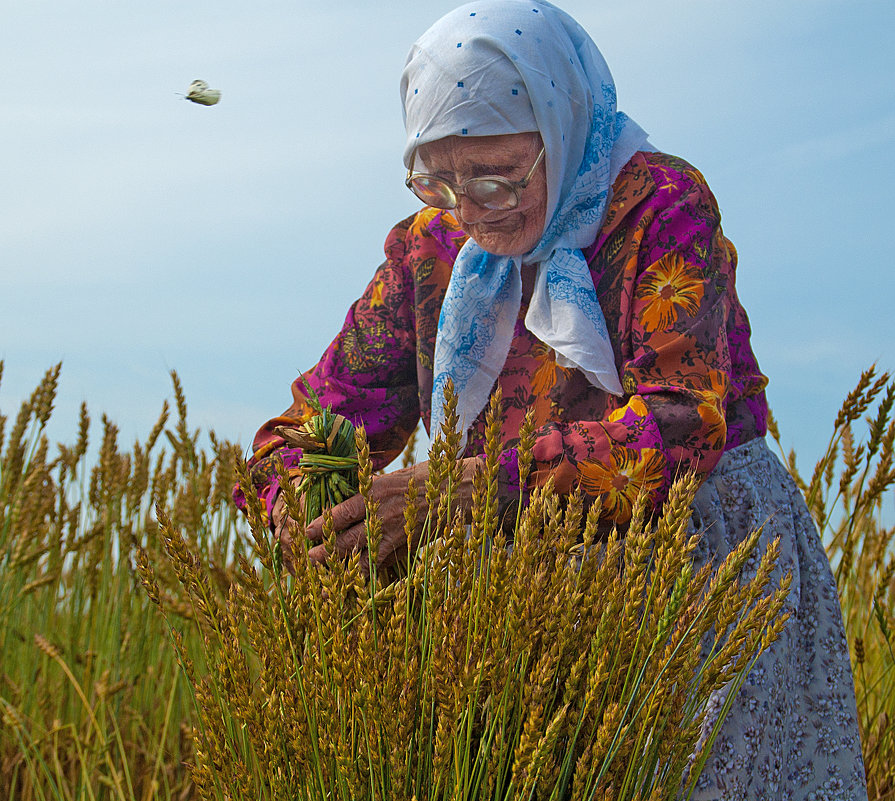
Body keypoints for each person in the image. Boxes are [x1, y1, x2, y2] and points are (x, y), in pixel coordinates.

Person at [234, 1, 867, 797]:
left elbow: (679, 428)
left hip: (694, 564)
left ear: (561, 121)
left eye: (497, 174)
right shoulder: (429, 249)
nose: (470, 205)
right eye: (438, 177)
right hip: (519, 583)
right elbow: (314, 419)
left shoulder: (658, 206)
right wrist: (293, 497)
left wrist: (462, 492)